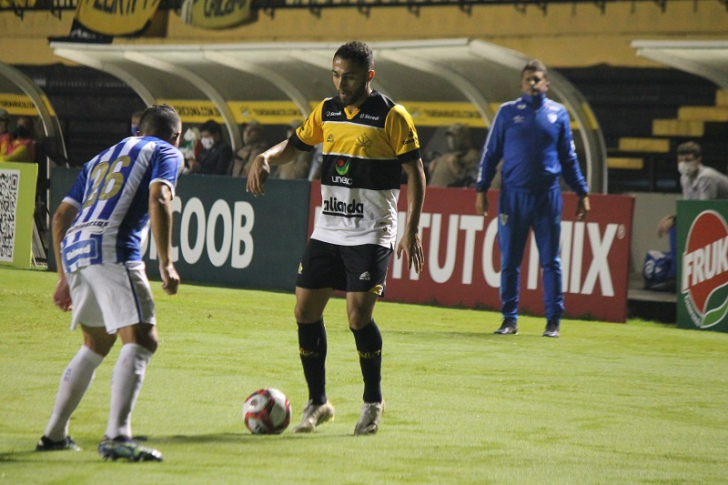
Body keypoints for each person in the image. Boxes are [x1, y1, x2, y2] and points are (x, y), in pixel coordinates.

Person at [247, 41, 426, 435]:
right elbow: (294, 147)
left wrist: (410, 228)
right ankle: (318, 402)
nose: (341, 83)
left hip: (372, 230)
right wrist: (265, 157)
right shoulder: (326, 110)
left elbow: (415, 171)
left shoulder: (391, 116)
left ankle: (373, 401)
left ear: (369, 77)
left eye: (349, 76)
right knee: (304, 312)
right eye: (336, 74)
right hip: (329, 228)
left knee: (358, 316)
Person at [36, 104, 183, 462]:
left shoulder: (101, 157)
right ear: (176, 135)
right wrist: (166, 262)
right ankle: (118, 435)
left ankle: (55, 434)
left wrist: (63, 276)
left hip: (75, 249)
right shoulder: (166, 151)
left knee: (96, 342)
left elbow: (60, 216)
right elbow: (160, 197)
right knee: (143, 336)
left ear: (138, 129)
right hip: (113, 246)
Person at [475, 59, 590, 339]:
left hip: (547, 197)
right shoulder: (506, 113)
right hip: (513, 197)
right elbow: (490, 154)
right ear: (521, 84)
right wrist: (481, 190)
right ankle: (509, 319)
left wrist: (582, 192)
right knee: (510, 262)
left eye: (538, 78)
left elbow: (569, 158)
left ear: (546, 84)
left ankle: (553, 321)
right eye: (528, 78)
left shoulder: (559, 114)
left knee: (551, 261)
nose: (533, 83)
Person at [656, 141, 728, 282]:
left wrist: (674, 219)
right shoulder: (685, 178)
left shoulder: (706, 177)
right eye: (681, 160)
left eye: (688, 160)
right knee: (676, 227)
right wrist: (671, 218)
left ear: (698, 160)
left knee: (677, 224)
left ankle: (683, 276)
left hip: (720, 218)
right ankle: (678, 275)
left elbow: (703, 211)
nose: (683, 164)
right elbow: (689, 207)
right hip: (717, 216)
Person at [427, 123, 480, 187]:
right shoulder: (445, 156)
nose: (451, 140)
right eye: (449, 137)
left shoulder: (472, 155)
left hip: (452, 194)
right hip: (432, 194)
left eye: (456, 137)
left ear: (465, 138)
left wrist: (458, 170)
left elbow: (475, 179)